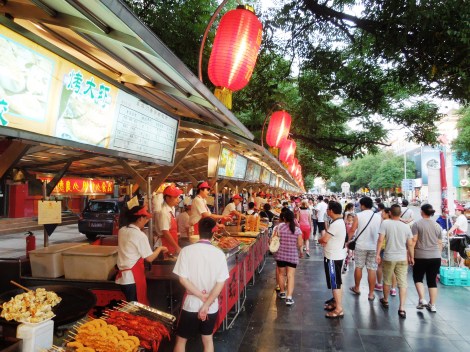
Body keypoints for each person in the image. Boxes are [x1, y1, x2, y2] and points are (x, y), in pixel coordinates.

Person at [173, 217, 229, 352]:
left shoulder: (186, 251)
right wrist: (206, 303)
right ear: (214, 233)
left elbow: (182, 279)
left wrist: (200, 296)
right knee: (207, 339)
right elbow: (220, 283)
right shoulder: (219, 254)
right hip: (211, 305)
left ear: (198, 230)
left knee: (181, 339)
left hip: (191, 303)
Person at [116, 205, 168, 304]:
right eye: (146, 218)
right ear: (140, 218)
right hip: (133, 279)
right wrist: (160, 248)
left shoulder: (122, 230)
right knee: (136, 309)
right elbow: (149, 258)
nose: (147, 220)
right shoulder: (139, 235)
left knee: (130, 306)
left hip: (123, 278)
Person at [376, 204, 414, 319]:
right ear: (400, 214)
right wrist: (412, 257)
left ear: (390, 213)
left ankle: (386, 300)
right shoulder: (406, 226)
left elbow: (380, 239)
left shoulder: (385, 223)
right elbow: (410, 244)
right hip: (402, 257)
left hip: (389, 256)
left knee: (386, 280)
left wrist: (377, 254)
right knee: (402, 283)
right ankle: (402, 308)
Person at [411, 204, 443, 313]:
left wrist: (410, 255)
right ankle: (432, 305)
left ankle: (422, 299)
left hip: (420, 255)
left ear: (422, 212)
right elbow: (439, 243)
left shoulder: (417, 224)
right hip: (435, 257)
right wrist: (438, 254)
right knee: (432, 281)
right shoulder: (437, 225)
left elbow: (413, 241)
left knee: (418, 278)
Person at [349, 197, 382, 301]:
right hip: (374, 246)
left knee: (358, 266)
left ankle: (357, 288)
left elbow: (352, 229)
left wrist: (347, 241)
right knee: (372, 269)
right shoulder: (378, 216)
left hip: (360, 246)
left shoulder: (358, 216)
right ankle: (371, 294)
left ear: (363, 205)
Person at [319, 201, 347, 318]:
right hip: (336, 255)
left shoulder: (336, 224)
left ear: (331, 211)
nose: (326, 211)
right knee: (336, 281)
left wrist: (321, 240)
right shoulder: (339, 221)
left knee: (335, 283)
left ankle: (339, 309)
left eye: (327, 209)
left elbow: (325, 239)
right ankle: (336, 302)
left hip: (333, 257)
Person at [273, 209, 303, 306]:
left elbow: (275, 240)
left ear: (284, 218)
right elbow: (300, 244)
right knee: (290, 276)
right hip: (292, 256)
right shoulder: (297, 230)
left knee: (281, 274)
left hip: (280, 255)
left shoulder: (279, 227)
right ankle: (289, 298)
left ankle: (282, 292)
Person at [155, 185, 183, 255]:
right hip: (164, 245)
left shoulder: (171, 209)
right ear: (167, 198)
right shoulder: (164, 212)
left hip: (170, 244)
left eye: (178, 197)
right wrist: (177, 247)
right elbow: (165, 232)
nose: (178, 200)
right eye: (175, 197)